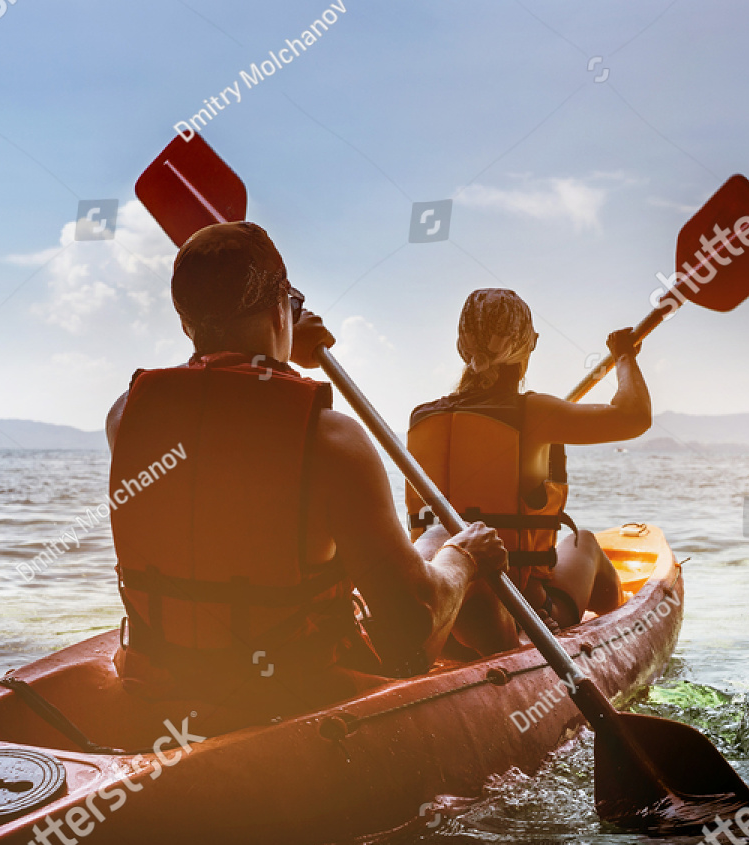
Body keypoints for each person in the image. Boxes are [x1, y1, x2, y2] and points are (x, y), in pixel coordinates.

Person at [103, 222, 506, 731]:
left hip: (165, 671)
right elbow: (409, 621)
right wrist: (465, 560)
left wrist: (274, 341)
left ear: (186, 323)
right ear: (280, 309)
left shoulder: (125, 416)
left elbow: (224, 409)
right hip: (299, 686)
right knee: (447, 535)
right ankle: (516, 677)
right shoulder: (332, 440)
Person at [406, 288, 652, 658]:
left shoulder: (422, 417)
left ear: (463, 345)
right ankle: (622, 629)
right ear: (526, 346)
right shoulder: (532, 413)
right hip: (526, 613)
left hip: (443, 609)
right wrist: (624, 356)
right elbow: (634, 416)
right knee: (584, 541)